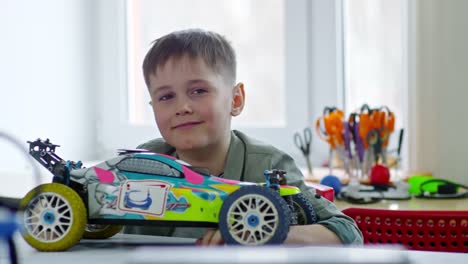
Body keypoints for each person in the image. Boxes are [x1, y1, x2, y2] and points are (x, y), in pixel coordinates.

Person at [124, 28, 363, 245]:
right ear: (153, 106)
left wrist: (267, 233)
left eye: (199, 91)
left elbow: (348, 234)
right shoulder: (142, 164)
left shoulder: (268, 165)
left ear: (235, 100)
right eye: (166, 97)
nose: (182, 107)